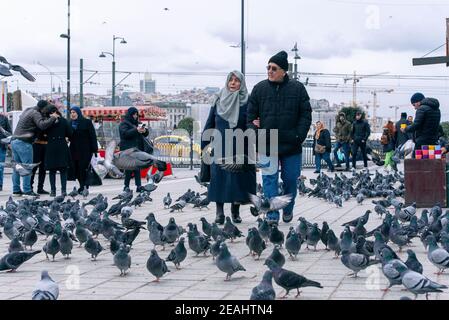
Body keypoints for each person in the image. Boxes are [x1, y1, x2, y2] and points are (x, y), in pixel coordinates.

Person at [247, 50, 312, 224]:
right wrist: (254, 130)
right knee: (269, 179)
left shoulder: (298, 89)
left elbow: (306, 115)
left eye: (273, 68)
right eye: (268, 67)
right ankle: (272, 215)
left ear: (284, 71)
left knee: (291, 179)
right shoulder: (259, 89)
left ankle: (288, 208)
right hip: (266, 143)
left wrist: (298, 135)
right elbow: (250, 117)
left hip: (291, 144)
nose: (269, 71)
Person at [201, 70, 256, 225]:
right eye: (230, 80)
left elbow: (250, 124)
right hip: (220, 145)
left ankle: (235, 211)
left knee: (237, 179)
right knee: (219, 178)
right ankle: (219, 212)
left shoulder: (247, 102)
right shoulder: (218, 100)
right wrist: (204, 146)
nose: (233, 83)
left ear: (241, 83)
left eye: (237, 80)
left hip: (240, 144)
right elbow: (209, 124)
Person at [11, 100, 58, 197]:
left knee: (17, 168)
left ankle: (16, 190)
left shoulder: (28, 110)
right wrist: (53, 118)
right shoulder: (35, 113)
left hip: (15, 141)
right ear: (43, 108)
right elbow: (42, 125)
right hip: (24, 143)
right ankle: (27, 191)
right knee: (27, 167)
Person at [43, 106, 73, 197]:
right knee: (63, 170)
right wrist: (66, 137)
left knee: (52, 171)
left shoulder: (48, 122)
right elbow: (70, 133)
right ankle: (63, 191)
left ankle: (53, 191)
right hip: (62, 147)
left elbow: (42, 132)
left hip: (51, 147)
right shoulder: (64, 121)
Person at [68, 107, 98, 194]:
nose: (72, 114)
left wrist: (94, 150)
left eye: (74, 112)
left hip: (85, 150)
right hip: (73, 150)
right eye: (71, 112)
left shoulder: (86, 122)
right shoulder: (69, 123)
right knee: (76, 169)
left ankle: (83, 186)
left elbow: (92, 136)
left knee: (83, 168)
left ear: (78, 113)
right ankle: (82, 185)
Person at [119, 107, 149, 192]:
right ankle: (126, 186)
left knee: (137, 168)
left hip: (137, 149)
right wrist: (136, 130)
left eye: (136, 114)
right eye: (134, 114)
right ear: (130, 115)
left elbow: (146, 133)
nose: (135, 116)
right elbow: (125, 134)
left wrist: (144, 131)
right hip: (127, 149)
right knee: (129, 168)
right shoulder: (124, 124)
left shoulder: (137, 123)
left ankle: (138, 186)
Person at [0, 112, 11, 191]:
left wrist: (9, 142)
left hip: (1, 146)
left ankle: (0, 185)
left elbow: (9, 133)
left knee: (0, 167)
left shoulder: (4, 118)